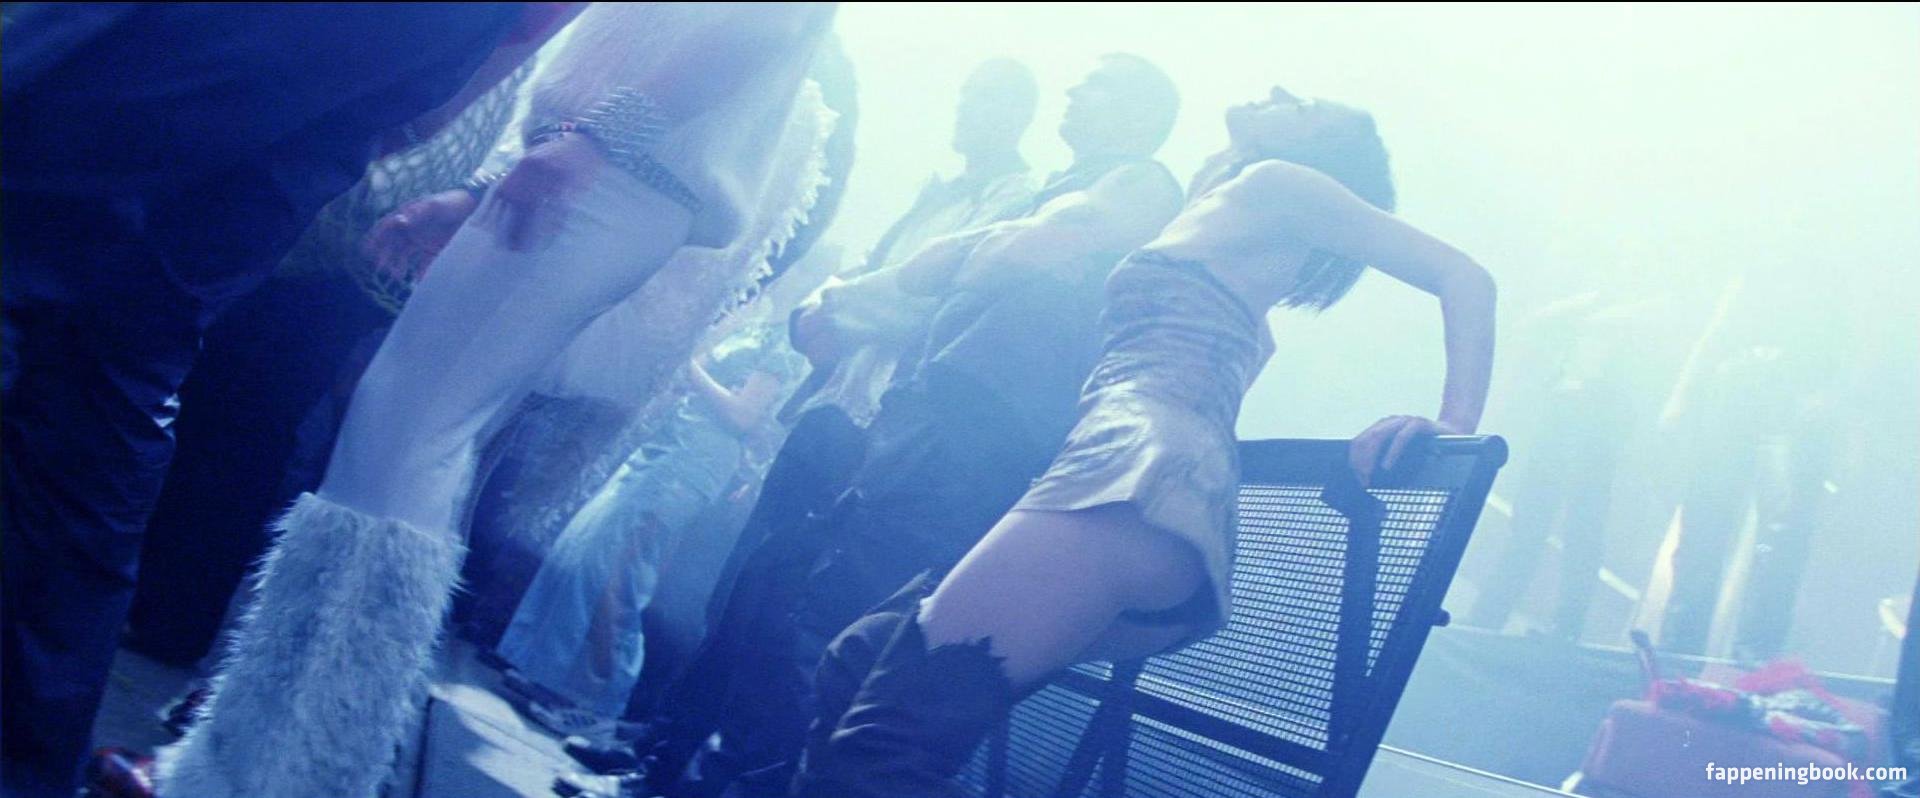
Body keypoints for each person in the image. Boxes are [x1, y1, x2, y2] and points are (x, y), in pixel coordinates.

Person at [156, 6, 838, 797]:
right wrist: (495, 182)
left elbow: (755, 24)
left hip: (619, 171)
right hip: (609, 168)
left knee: (408, 438)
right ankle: (265, 762)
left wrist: (590, 142)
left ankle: (291, 771)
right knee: (403, 436)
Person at [788, 84, 1497, 798]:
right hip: (1135, 487)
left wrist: (1454, 424)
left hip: (1134, 482)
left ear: (1320, 155)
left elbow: (1464, 275)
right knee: (859, 664)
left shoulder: (1277, 182)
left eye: (1308, 108)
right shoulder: (1229, 230)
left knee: (880, 748)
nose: (1283, 92)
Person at [0, 5, 577, 795]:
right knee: (122, 363)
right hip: (423, 46)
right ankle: (27, 759)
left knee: (34, 231)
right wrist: (425, 94)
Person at [616, 54, 1185, 798]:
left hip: (969, 435)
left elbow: (1008, 257)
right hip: (923, 417)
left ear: (1142, 115)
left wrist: (882, 289)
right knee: (785, 597)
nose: (1075, 88)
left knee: (826, 617)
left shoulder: (1138, 185)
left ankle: (726, 781)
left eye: (1098, 83)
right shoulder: (1055, 189)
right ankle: (698, 775)